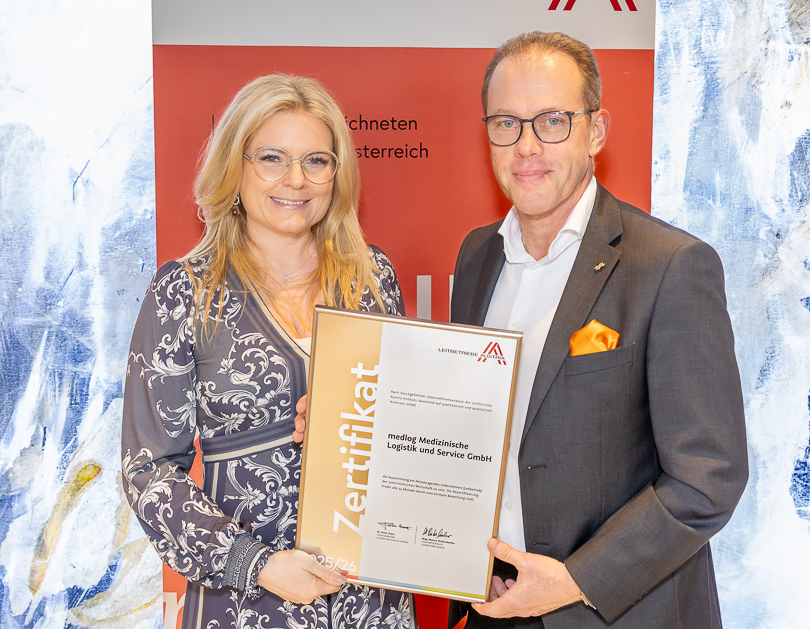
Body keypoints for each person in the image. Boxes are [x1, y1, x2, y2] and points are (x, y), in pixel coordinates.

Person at [447, 32, 749, 628]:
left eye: (552, 121)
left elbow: (708, 476)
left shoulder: (670, 265)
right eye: (506, 123)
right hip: (493, 605)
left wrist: (574, 582)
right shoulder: (478, 255)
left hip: (617, 614)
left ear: (597, 131)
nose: (527, 146)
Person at [121, 74, 412, 629]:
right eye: (272, 158)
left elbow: (411, 431)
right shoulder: (185, 293)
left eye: (316, 161)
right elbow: (148, 470)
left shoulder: (372, 279)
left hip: (371, 601)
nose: (295, 180)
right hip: (247, 601)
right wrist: (253, 564)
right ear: (235, 167)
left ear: (337, 175)